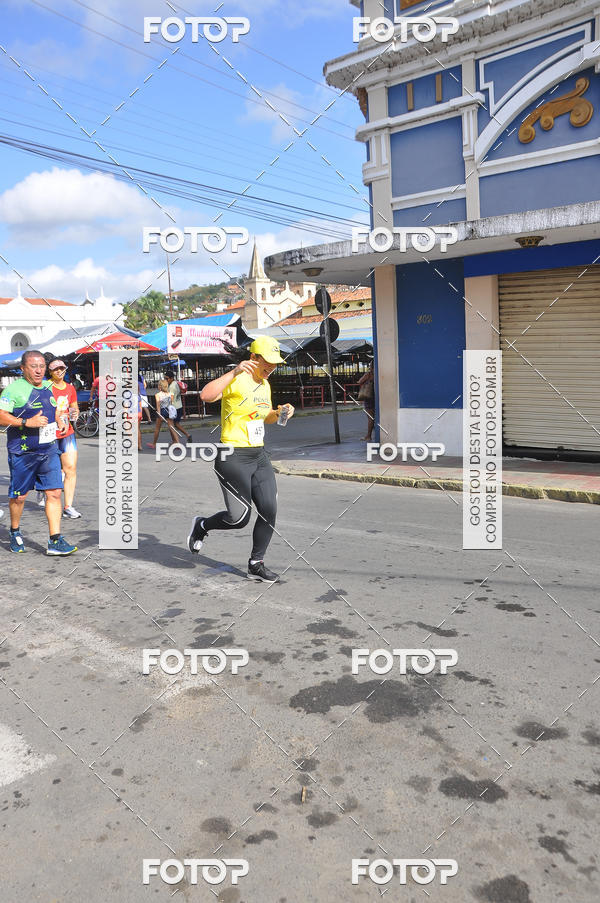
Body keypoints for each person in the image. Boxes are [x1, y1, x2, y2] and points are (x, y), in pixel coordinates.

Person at [188, 337, 294, 582]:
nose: (272, 367)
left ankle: (256, 564)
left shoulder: (265, 384)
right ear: (254, 358)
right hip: (232, 455)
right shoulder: (236, 378)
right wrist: (234, 372)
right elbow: (206, 395)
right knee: (239, 518)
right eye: (267, 362)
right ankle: (202, 526)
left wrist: (280, 413)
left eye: (275, 364)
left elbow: (264, 416)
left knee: (269, 509)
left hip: (259, 454)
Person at [0, 350, 78, 555]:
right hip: (23, 453)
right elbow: (1, 416)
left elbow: (55, 410)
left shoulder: (49, 387)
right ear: (23, 368)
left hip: (49, 449)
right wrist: (27, 422)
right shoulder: (13, 389)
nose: (38, 370)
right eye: (33, 366)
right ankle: (15, 531)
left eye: (42, 366)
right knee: (19, 497)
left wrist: (61, 419)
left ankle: (55, 540)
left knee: (54, 492)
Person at [42, 359, 81, 518]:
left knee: (70, 468)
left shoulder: (70, 388)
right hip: (49, 432)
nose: (59, 372)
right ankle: (46, 494)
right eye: (55, 369)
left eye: (61, 369)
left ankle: (68, 506)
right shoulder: (45, 387)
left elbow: (74, 406)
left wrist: (75, 413)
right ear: (50, 371)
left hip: (67, 432)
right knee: (50, 469)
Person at [147, 379, 179, 448]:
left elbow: (158, 405)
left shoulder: (158, 395)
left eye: (158, 385)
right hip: (169, 411)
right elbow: (171, 403)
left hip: (162, 411)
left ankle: (154, 444)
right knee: (172, 427)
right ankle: (178, 443)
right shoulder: (170, 394)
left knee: (157, 428)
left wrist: (159, 414)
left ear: (160, 387)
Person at [165, 369, 192, 443]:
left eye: (167, 378)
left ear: (171, 378)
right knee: (175, 424)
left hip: (174, 408)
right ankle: (186, 435)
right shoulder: (176, 383)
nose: (166, 380)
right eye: (165, 378)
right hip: (179, 406)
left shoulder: (172, 387)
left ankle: (176, 441)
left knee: (171, 425)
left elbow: (171, 398)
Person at [357, 362, 375, 441]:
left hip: (369, 397)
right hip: (376, 397)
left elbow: (360, 381)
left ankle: (368, 436)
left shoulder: (369, 374)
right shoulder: (378, 373)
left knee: (370, 417)